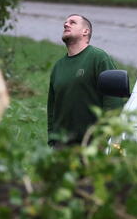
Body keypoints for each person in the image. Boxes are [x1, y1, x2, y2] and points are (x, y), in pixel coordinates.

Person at [47, 14, 124, 147]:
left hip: (92, 144)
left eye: (72, 22)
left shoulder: (98, 58)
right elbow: (52, 107)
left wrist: (104, 137)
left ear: (85, 31)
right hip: (62, 145)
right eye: (65, 23)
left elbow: (113, 100)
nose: (66, 24)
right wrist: (52, 139)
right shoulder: (58, 66)